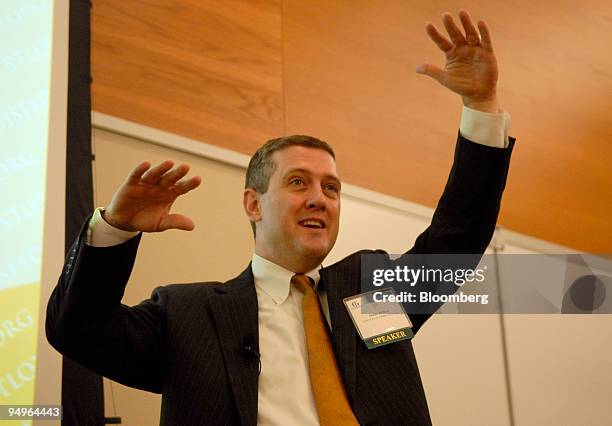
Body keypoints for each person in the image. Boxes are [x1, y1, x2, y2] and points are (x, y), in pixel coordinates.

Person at [47, 10, 515, 425]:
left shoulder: (374, 293)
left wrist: (480, 107)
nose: (319, 199)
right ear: (253, 204)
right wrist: (115, 228)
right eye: (298, 183)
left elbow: (460, 235)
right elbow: (78, 331)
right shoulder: (189, 316)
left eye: (331, 188)